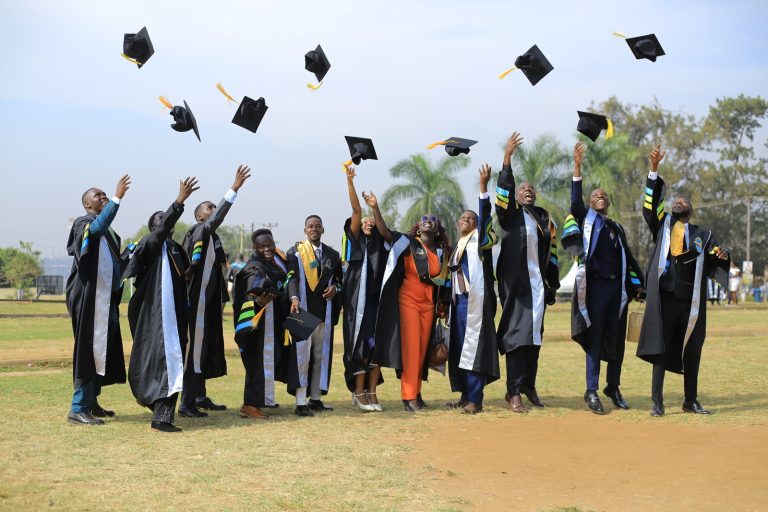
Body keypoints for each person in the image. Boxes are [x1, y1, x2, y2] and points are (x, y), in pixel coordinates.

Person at [637, 145, 730, 417]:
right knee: (660, 347)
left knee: (692, 350)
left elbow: (716, 254)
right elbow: (650, 205)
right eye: (675, 201)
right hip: (665, 297)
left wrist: (724, 254)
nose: (678, 202)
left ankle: (691, 400)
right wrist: (654, 169)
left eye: (683, 202)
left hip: (691, 302)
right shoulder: (662, 225)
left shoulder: (703, 233)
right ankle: (657, 401)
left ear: (691, 210)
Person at [562, 142, 645, 414]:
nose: (601, 197)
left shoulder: (616, 227)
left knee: (617, 339)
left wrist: (636, 285)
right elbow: (575, 200)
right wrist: (577, 167)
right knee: (595, 339)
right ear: (590, 202)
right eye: (596, 195)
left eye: (604, 196)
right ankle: (592, 390)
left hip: (616, 290)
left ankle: (613, 385)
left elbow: (629, 260)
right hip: (594, 288)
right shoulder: (586, 219)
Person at [122, 177, 199, 432]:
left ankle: (162, 413)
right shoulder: (149, 245)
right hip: (155, 317)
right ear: (155, 227)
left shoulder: (176, 249)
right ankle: (160, 418)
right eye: (163, 221)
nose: (168, 226)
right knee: (165, 361)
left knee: (175, 361)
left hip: (176, 315)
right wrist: (178, 202)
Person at [494, 132, 560, 413]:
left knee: (534, 337)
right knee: (516, 337)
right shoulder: (509, 214)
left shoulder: (543, 217)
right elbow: (504, 192)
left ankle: (529, 385)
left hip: (537, 287)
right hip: (516, 286)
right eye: (523, 190)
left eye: (531, 189)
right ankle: (513, 392)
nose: (528, 191)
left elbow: (551, 252)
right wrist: (507, 159)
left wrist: (552, 284)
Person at [369, 195, 452, 413]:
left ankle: (416, 392)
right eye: (424, 218)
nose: (428, 220)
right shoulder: (407, 244)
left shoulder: (442, 253)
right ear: (418, 227)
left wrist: (442, 306)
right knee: (412, 350)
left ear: (437, 229)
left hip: (428, 306)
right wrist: (375, 206)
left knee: (422, 351)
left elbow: (443, 284)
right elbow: (384, 231)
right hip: (407, 301)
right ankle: (408, 397)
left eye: (433, 219)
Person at [181, 165, 251, 417]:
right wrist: (233, 189)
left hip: (209, 303)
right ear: (200, 217)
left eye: (213, 206)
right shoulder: (199, 231)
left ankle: (199, 396)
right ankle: (186, 402)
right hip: (194, 302)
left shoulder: (213, 238)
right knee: (193, 350)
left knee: (205, 349)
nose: (212, 211)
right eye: (208, 208)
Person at [65, 175, 131, 425]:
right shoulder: (83, 223)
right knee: (87, 350)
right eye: (98, 195)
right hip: (88, 297)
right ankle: (77, 407)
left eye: (105, 195)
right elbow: (95, 229)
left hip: (105, 300)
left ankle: (91, 402)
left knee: (102, 348)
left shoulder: (112, 235)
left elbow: (116, 265)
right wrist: (116, 198)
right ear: (87, 204)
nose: (102, 197)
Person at [446, 164, 500, 414]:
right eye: (463, 218)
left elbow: (486, 215)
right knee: (460, 349)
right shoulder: (459, 244)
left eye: (470, 219)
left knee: (474, 349)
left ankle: (476, 399)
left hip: (475, 302)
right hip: (459, 304)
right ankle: (466, 394)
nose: (465, 221)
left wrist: (483, 187)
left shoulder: (481, 240)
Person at [341, 165, 388, 412]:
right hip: (356, 304)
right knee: (359, 346)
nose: (367, 223)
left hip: (377, 303)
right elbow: (356, 210)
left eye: (371, 222)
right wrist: (350, 183)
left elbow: (382, 226)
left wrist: (375, 207)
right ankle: (358, 393)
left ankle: (372, 391)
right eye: (364, 223)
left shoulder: (381, 246)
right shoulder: (356, 243)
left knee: (376, 346)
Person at [232, 229, 292, 420]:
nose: (267, 249)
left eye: (270, 244)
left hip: (273, 321)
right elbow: (253, 285)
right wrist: (258, 301)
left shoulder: (275, 262)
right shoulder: (254, 267)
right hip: (258, 324)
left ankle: (258, 400)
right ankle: (251, 405)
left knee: (269, 360)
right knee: (258, 362)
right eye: (262, 246)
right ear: (254, 248)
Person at [286, 216, 343, 417]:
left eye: (317, 226)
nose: (314, 229)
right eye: (310, 226)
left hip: (325, 312)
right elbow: (291, 277)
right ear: (305, 230)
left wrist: (336, 288)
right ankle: (301, 402)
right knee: (302, 357)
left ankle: (316, 398)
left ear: (323, 230)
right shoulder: (295, 251)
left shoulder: (333, 255)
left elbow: (339, 281)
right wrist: (293, 297)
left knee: (321, 356)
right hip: (302, 309)